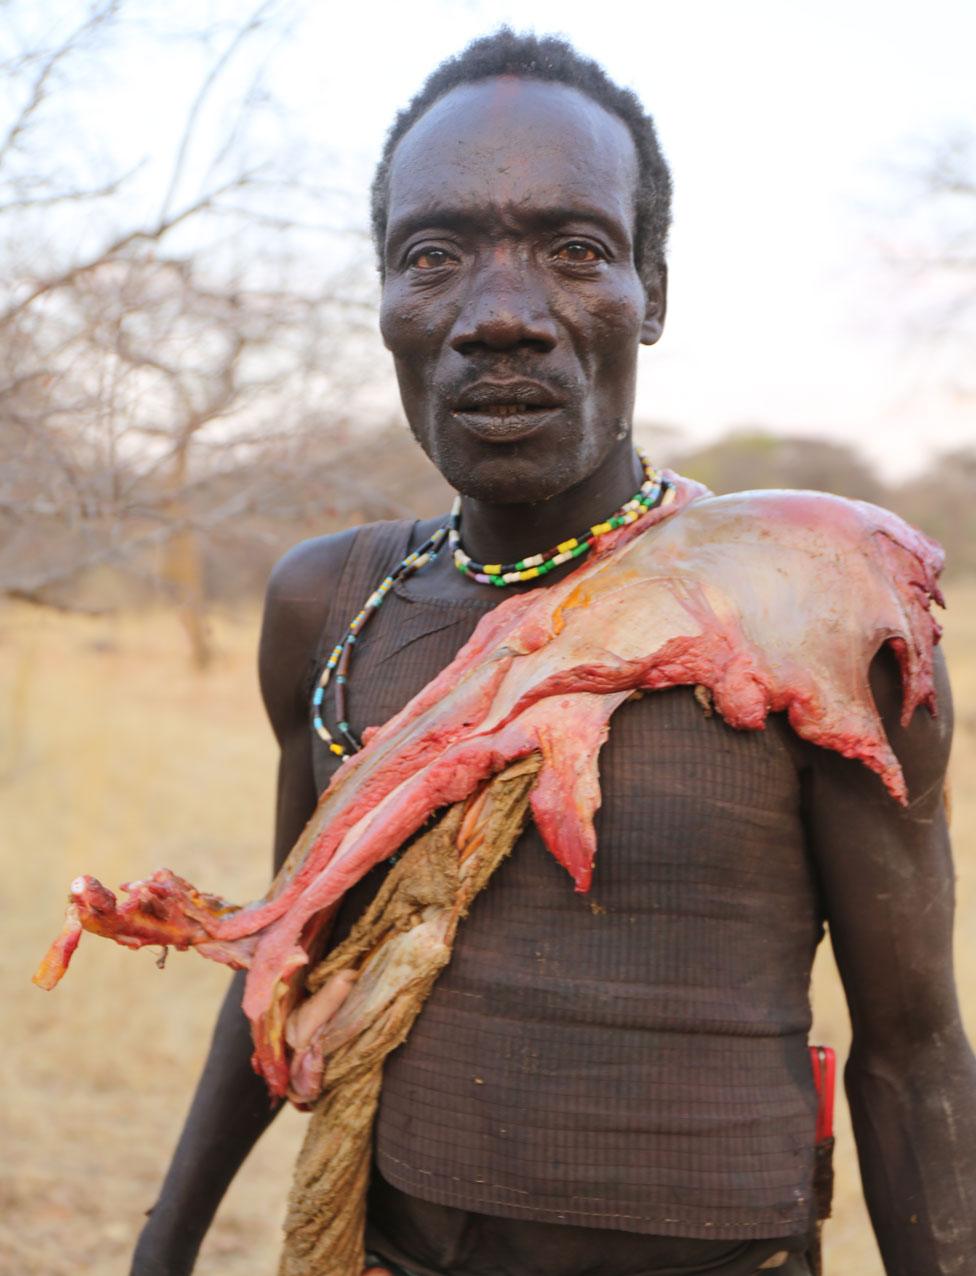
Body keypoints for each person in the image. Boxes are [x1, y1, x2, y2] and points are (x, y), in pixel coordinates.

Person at [131, 30, 976, 1276]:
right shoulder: (335, 602)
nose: (502, 317)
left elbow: (910, 1053)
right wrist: (162, 1253)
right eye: (433, 256)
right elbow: (288, 952)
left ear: (654, 291)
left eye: (575, 251)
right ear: (383, 300)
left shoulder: (811, 601)